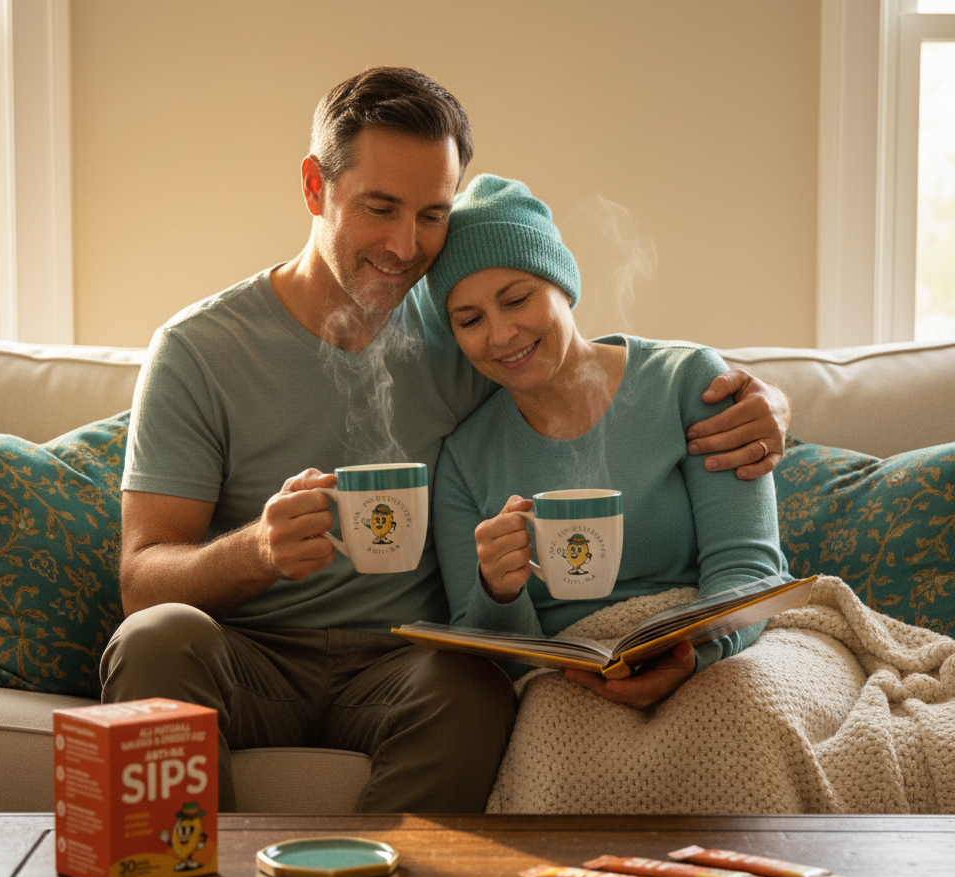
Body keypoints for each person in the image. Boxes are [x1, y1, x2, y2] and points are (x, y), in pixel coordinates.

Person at [99, 67, 791, 813]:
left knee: (471, 684)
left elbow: (580, 366)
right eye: (380, 208)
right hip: (246, 657)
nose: (405, 246)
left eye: (432, 214)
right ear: (314, 187)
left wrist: (768, 403)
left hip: (407, 663)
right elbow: (142, 579)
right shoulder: (200, 350)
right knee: (154, 638)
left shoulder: (464, 329)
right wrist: (258, 552)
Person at [428, 174, 792, 709]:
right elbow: (490, 655)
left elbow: (749, 567)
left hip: (715, 650)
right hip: (565, 678)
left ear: (562, 285)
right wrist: (498, 591)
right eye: (470, 320)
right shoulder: (464, 459)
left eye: (518, 299)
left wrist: (694, 656)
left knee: (743, 710)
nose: (500, 334)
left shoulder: (688, 382)